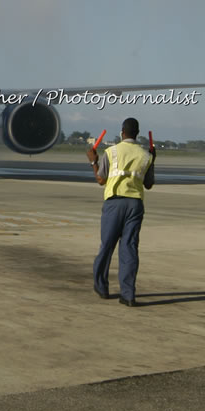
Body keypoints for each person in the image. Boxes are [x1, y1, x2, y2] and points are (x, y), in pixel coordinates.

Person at [85, 117, 154, 307]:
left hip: (115, 202)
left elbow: (101, 180)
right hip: (135, 204)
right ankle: (128, 295)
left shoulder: (111, 152)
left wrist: (93, 162)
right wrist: (153, 159)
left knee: (107, 246)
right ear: (137, 133)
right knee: (129, 248)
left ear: (122, 132)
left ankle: (102, 287)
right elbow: (148, 184)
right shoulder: (146, 155)